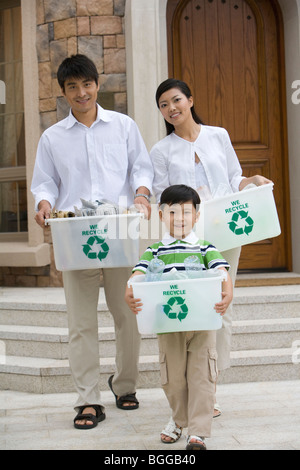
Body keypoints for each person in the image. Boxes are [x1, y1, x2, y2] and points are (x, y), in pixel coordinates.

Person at [31, 54, 154, 429]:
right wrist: (44, 204)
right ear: (64, 92)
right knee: (80, 322)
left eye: (87, 84)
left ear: (97, 85)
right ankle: (87, 399)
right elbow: (45, 181)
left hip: (119, 228)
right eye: (72, 87)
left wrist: (143, 195)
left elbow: (141, 167)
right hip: (76, 234)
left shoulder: (123, 126)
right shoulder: (53, 137)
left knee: (127, 314)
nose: (81, 92)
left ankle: (126, 385)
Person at [150, 78, 271, 416]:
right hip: (186, 238)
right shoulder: (161, 151)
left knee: (221, 305)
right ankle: (188, 386)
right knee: (191, 306)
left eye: (176, 100)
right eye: (164, 105)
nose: (171, 108)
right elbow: (163, 193)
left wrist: (253, 182)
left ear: (190, 99)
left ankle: (210, 387)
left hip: (225, 231)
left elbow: (235, 178)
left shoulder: (218, 135)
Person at [125, 184, 233, 450]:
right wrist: (130, 290)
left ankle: (197, 432)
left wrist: (227, 293)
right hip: (168, 323)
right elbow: (137, 275)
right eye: (173, 212)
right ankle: (178, 418)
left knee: (201, 376)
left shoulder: (206, 247)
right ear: (161, 215)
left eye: (186, 212)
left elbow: (222, 272)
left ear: (197, 215)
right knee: (172, 378)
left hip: (202, 322)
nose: (180, 218)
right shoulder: (155, 250)